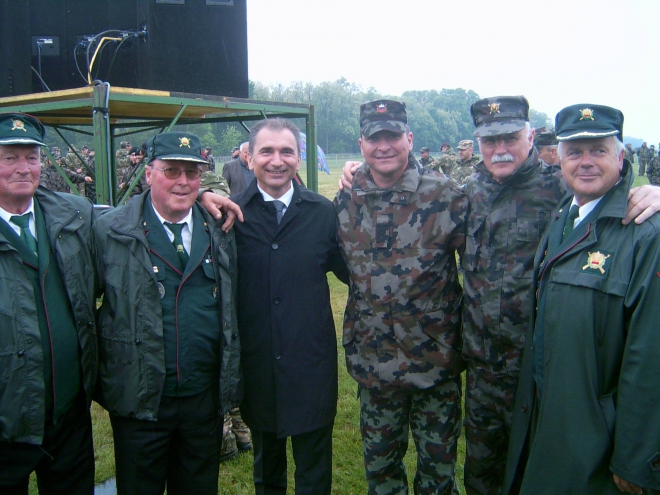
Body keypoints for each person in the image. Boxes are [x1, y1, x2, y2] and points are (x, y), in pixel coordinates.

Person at [504, 104, 660, 495]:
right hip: (553, 414)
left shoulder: (644, 232)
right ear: (559, 158)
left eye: (599, 150)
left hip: (600, 439)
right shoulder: (563, 216)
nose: (585, 162)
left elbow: (650, 353)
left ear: (620, 157)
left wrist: (636, 457)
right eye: (575, 152)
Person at [93, 131, 240, 495]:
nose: (183, 182)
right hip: (141, 401)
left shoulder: (219, 227)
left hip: (202, 398)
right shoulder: (111, 230)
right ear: (149, 174)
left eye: (192, 173)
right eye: (171, 171)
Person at [335, 99, 467, 494]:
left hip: (435, 364)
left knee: (438, 477)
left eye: (393, 136)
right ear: (362, 144)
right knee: (381, 475)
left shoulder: (444, 194)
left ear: (409, 139)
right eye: (375, 138)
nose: (384, 146)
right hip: (375, 364)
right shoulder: (347, 197)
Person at [231, 118, 348, 494]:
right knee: (267, 473)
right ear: (249, 158)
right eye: (267, 151)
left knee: (314, 472)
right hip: (259, 364)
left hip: (310, 364)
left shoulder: (322, 213)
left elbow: (356, 273)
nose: (276, 160)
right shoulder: (231, 217)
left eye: (286, 151)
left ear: (299, 159)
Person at [0, 113, 98, 494]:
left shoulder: (74, 214)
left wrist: (201, 193)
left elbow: (132, 226)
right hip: (7, 429)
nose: (24, 168)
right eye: (10, 158)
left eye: (32, 157)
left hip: (68, 420)